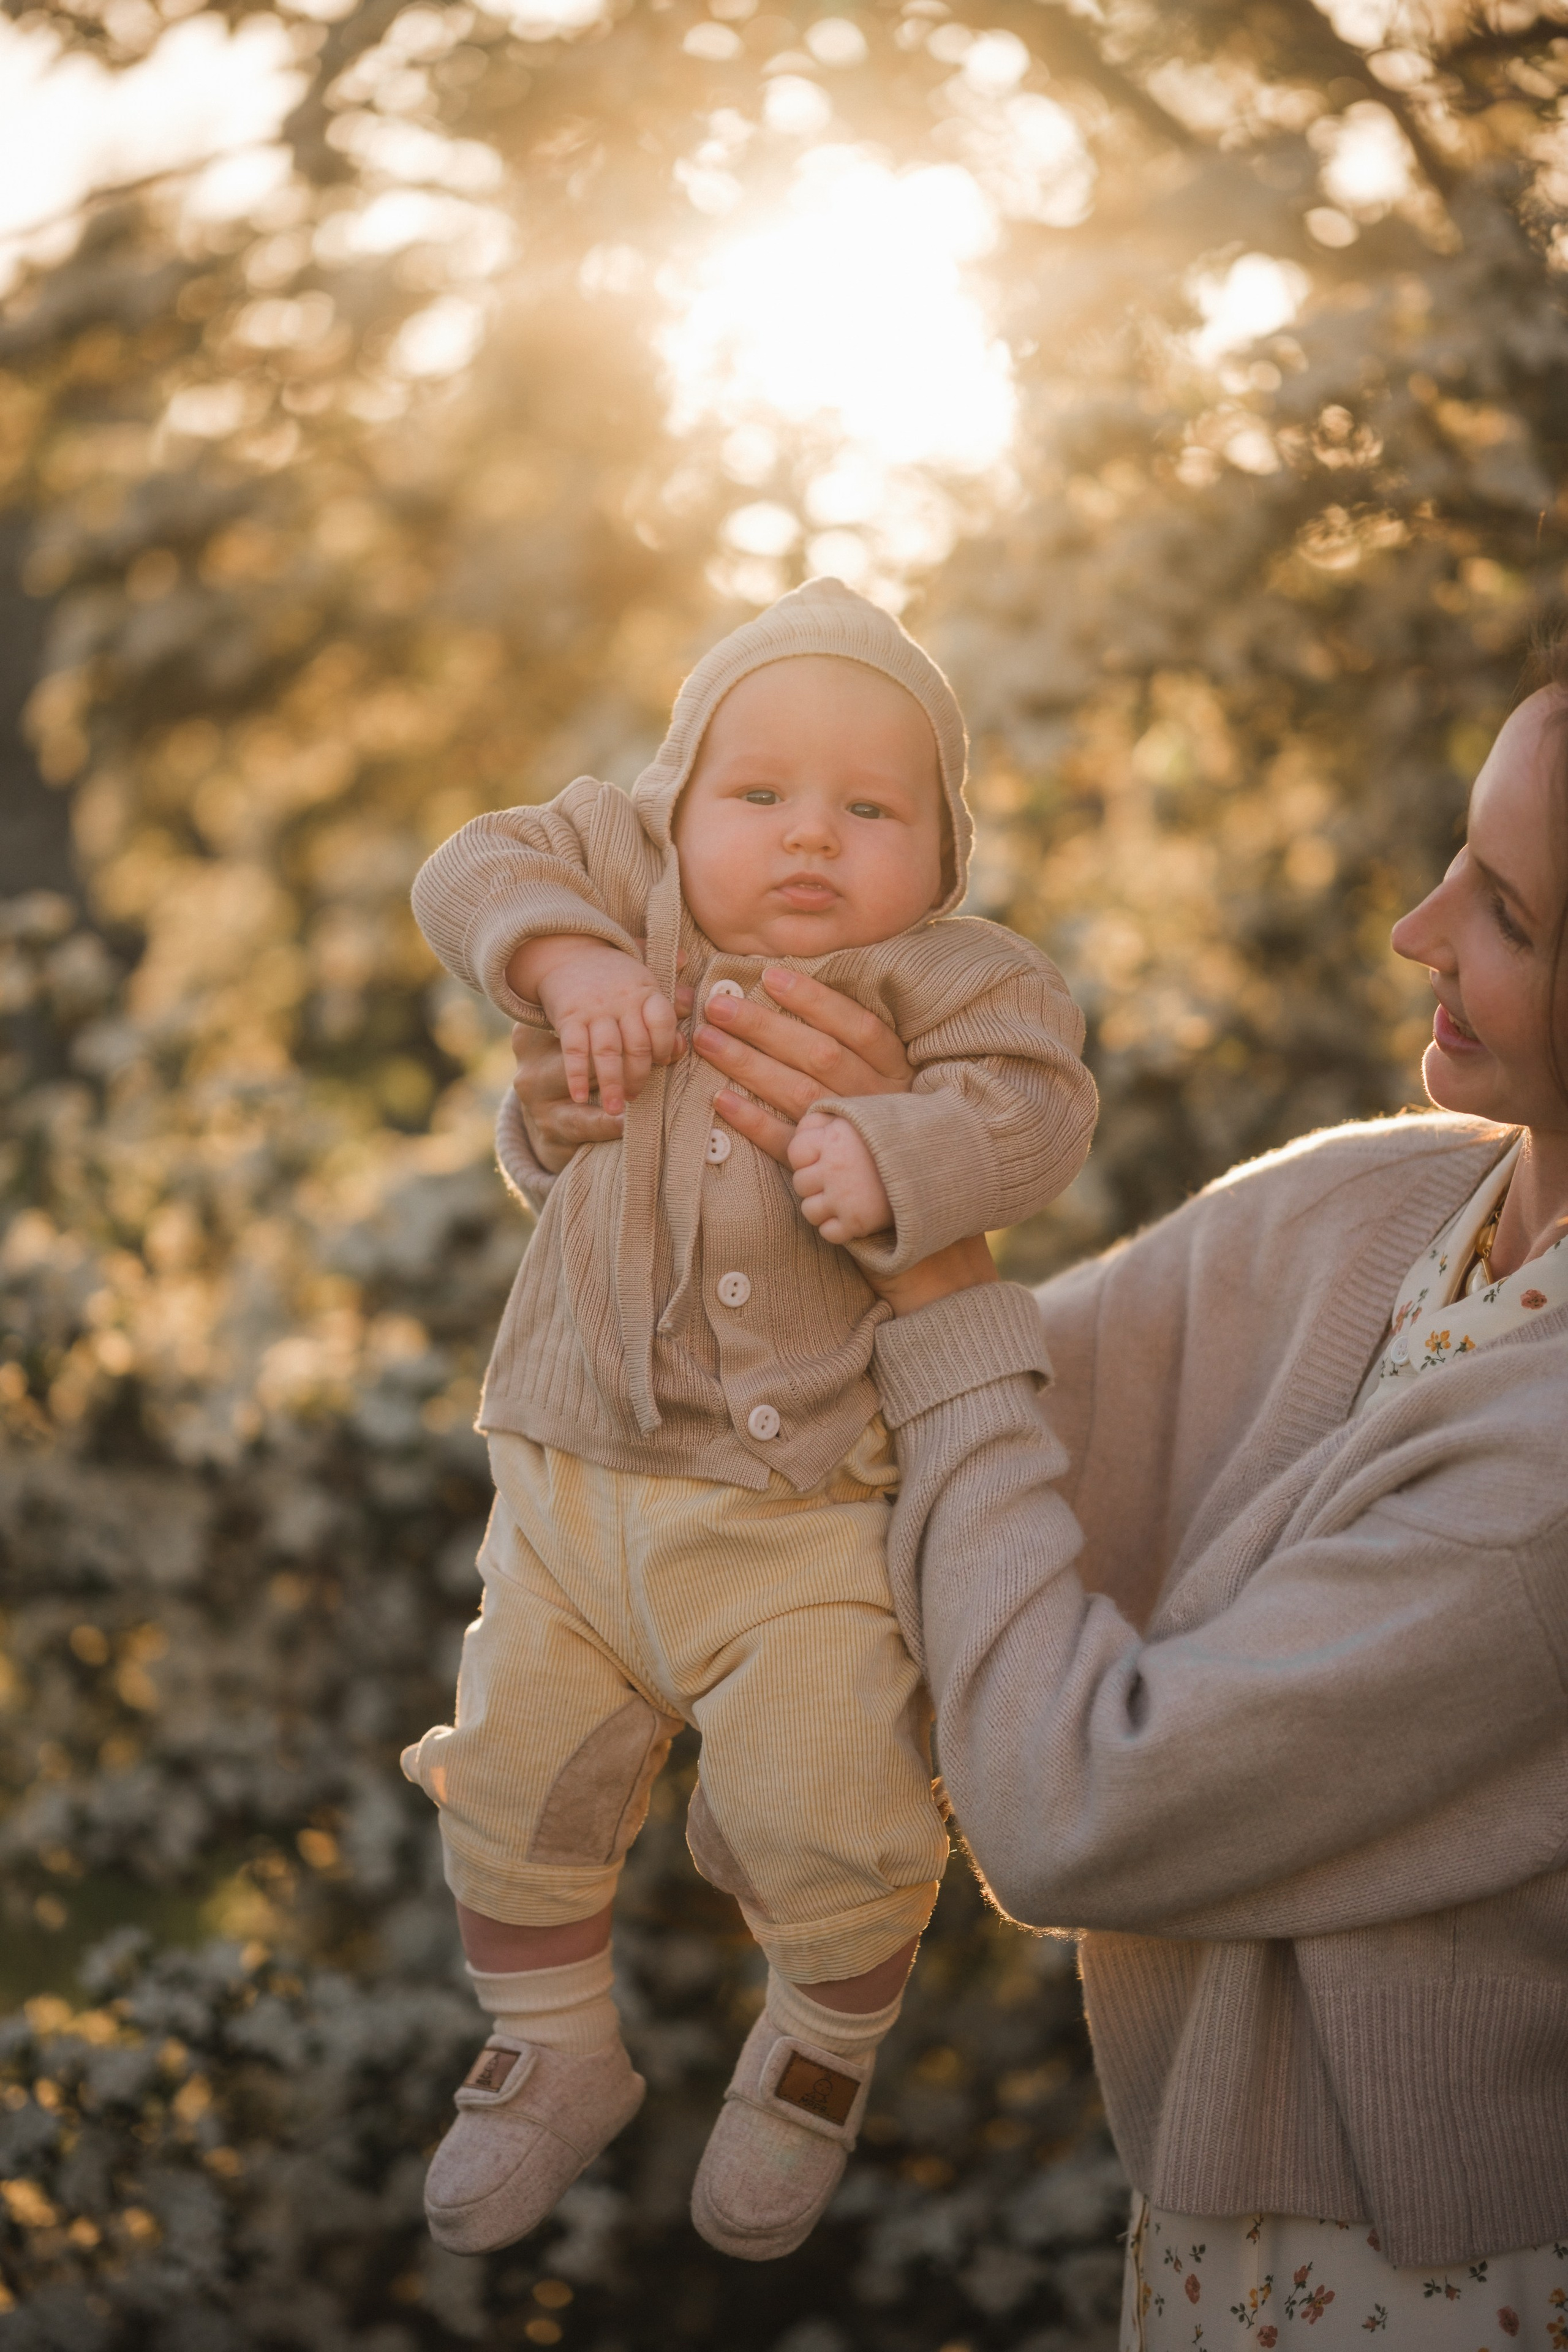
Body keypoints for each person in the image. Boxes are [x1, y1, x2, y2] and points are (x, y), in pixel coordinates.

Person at [510, 652, 1568, 2342]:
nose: (1418, 930)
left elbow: (1081, 1800)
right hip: (1217, 2250)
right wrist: (673, 1139)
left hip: (1434, 2287)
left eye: (1505, 910)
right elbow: (898, 1450)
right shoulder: (1385, 1210)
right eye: (1461, 857)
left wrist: (932, 1265)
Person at [402, 577, 1097, 2263]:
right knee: (511, 1783)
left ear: (944, 854)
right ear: (672, 804)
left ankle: (819, 2049)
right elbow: (467, 864)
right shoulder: (623, 903)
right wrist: (565, 972)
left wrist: (905, 1153)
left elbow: (1038, 1104)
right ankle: (554, 2053)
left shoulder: (946, 976)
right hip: (570, 1480)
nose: (812, 838)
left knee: (837, 1809)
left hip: (795, 1513)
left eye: (874, 808)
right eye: (760, 793)